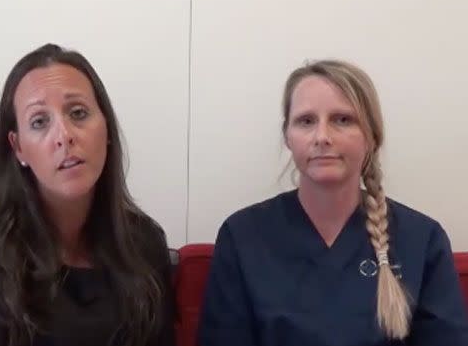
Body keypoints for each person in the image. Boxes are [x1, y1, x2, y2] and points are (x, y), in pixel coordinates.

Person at [0, 43, 175, 346]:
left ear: (107, 129)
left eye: (78, 113)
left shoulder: (144, 245)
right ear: (18, 147)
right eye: (39, 122)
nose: (64, 135)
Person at [197, 60, 468, 345]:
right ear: (287, 137)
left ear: (372, 136)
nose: (322, 137)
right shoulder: (243, 236)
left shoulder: (422, 239)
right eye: (306, 121)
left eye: (342, 120)